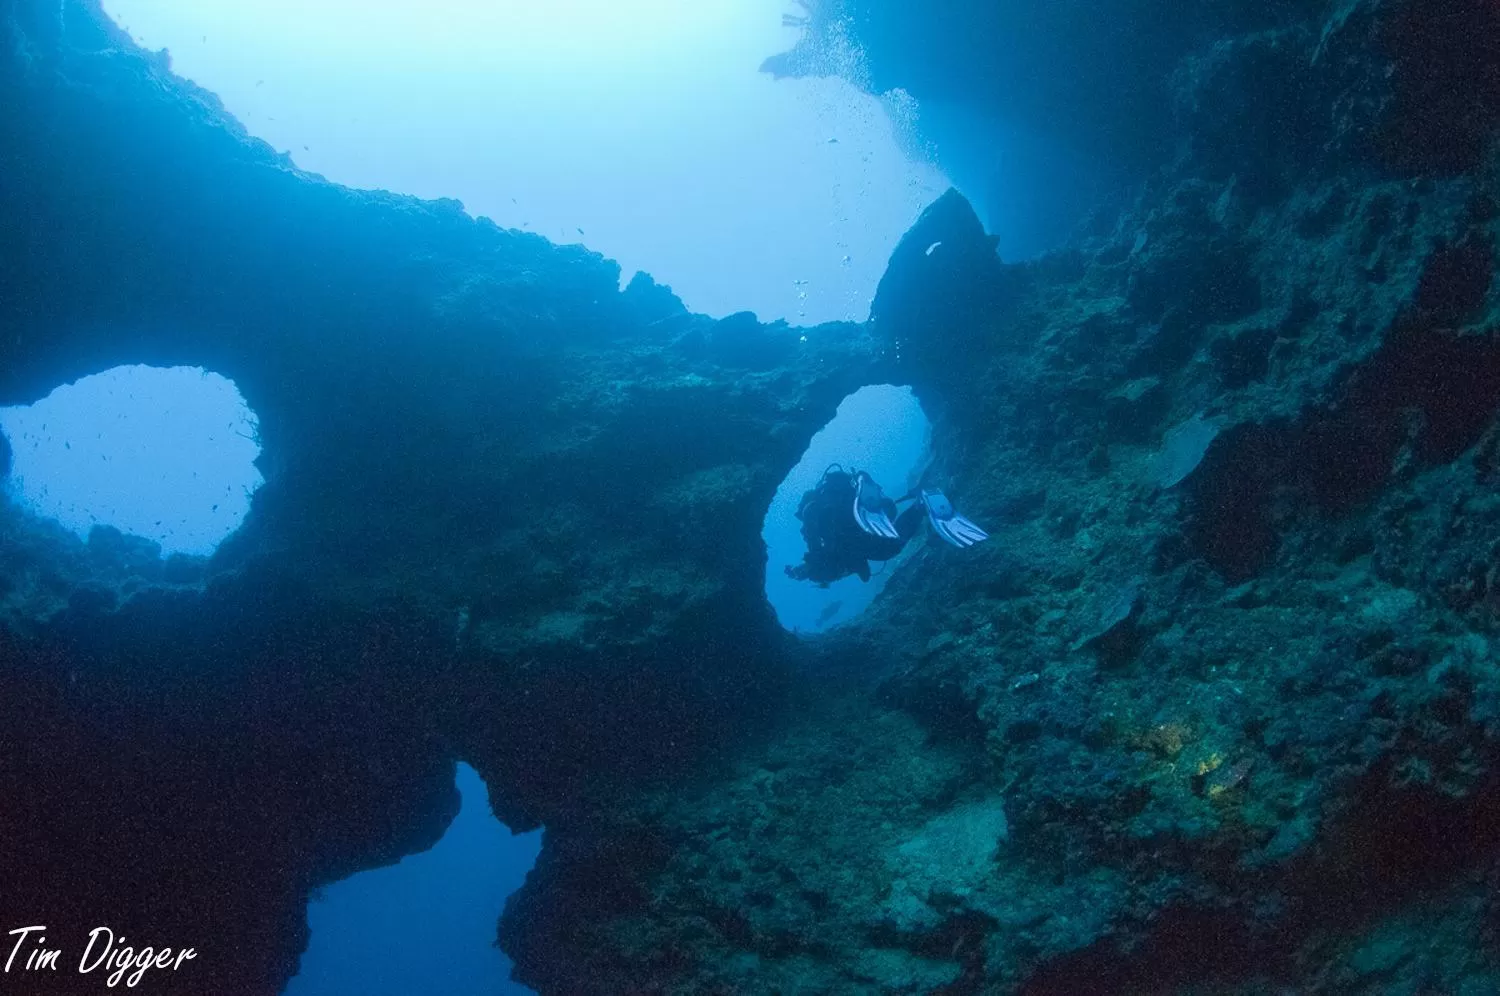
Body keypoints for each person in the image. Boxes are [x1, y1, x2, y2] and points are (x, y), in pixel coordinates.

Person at [784, 465, 988, 587]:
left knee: (888, 548)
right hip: (862, 523)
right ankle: (910, 504)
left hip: (856, 535)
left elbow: (817, 550)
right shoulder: (821, 511)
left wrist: (808, 566)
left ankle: (918, 507)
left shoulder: (811, 516)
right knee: (887, 537)